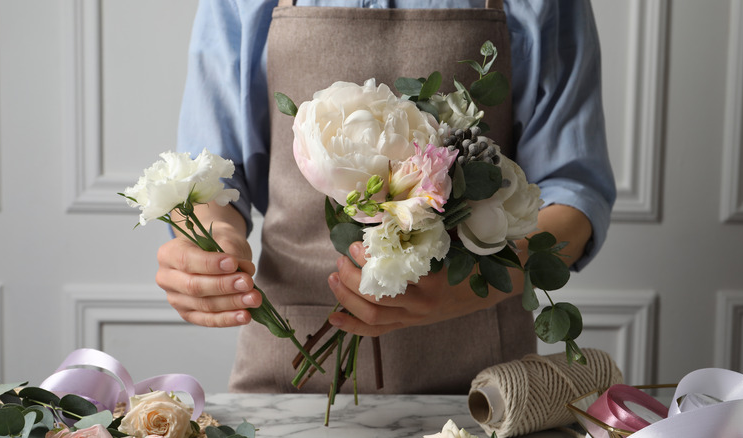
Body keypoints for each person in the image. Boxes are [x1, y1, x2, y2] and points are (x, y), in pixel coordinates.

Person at [156, 0, 616, 394]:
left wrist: (476, 281)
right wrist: (210, 243)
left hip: (484, 387)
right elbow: (209, 178)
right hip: (289, 375)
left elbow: (573, 195)